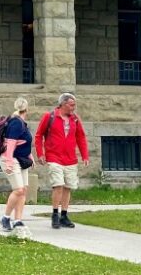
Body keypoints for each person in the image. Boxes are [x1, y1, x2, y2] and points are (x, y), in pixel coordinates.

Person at [35, 92, 89, 229]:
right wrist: (40, 153)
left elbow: (81, 137)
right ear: (63, 104)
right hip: (54, 157)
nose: (74, 107)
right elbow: (39, 135)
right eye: (72, 105)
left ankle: (64, 215)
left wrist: (85, 156)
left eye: (74, 105)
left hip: (70, 158)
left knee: (67, 187)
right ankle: (54, 214)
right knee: (58, 185)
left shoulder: (75, 119)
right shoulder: (50, 117)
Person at [0, 97, 33, 237]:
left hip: (21, 159)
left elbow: (23, 142)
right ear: (27, 109)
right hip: (11, 159)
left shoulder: (22, 123)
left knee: (23, 190)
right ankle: (6, 218)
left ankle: (18, 220)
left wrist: (30, 156)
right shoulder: (16, 123)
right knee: (18, 190)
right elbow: (11, 144)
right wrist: (8, 162)